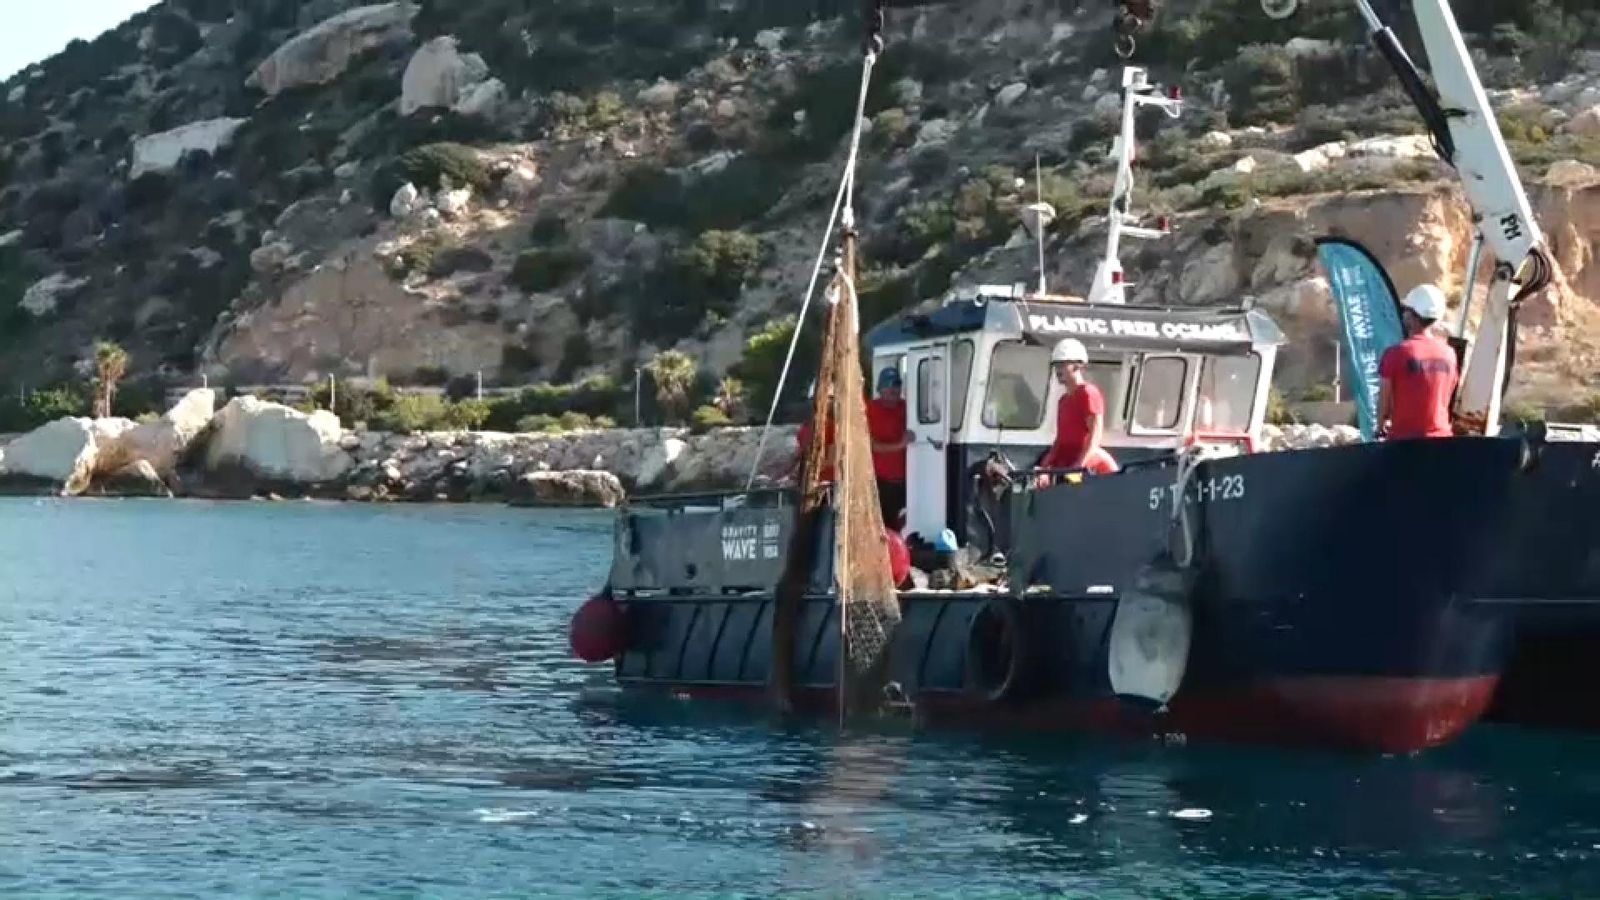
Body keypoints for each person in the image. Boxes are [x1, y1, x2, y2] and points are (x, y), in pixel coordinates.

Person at [1378, 284, 1459, 441]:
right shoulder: (1450, 354)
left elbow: (1384, 404)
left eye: (1406, 310)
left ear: (1411, 315)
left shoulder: (1396, 354)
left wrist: (1380, 427)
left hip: (1405, 445)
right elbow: (1445, 397)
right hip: (1443, 444)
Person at [1036, 338, 1118, 487]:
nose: (1058, 371)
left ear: (1077, 366)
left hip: (1089, 467)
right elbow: (1060, 441)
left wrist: (1079, 465)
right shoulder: (1063, 401)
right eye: (1056, 366)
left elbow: (1095, 435)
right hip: (1067, 465)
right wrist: (1044, 468)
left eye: (1062, 365)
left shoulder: (1088, 393)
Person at [866, 367, 912, 529]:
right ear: (880, 389)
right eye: (889, 385)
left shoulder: (908, 407)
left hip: (908, 482)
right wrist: (900, 445)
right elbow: (870, 446)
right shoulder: (870, 410)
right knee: (883, 526)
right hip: (882, 483)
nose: (894, 389)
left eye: (897, 385)